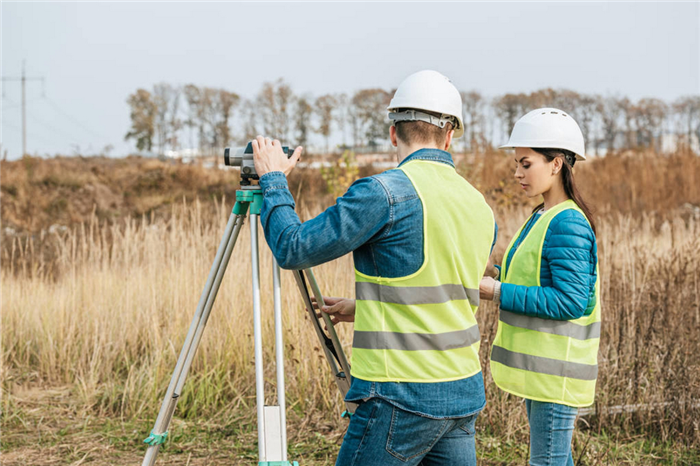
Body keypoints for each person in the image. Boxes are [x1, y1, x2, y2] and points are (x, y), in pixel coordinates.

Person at [252, 70, 496, 466]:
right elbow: (446, 291)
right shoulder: (478, 205)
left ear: (393, 133)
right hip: (462, 394)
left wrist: (274, 180)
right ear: (450, 135)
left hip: (402, 396)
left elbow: (293, 248)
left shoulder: (384, 193)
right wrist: (366, 308)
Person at [479, 108, 600, 466]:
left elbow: (570, 301)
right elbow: (534, 279)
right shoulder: (541, 215)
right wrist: (495, 273)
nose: (517, 173)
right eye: (516, 163)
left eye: (526, 163)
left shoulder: (568, 223)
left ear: (556, 164)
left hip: (555, 373)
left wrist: (496, 292)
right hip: (543, 372)